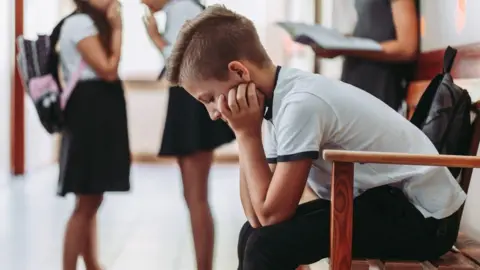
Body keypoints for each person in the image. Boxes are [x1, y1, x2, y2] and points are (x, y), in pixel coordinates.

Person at [165, 5, 467, 270]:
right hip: (379, 202)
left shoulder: (300, 105)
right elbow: (257, 216)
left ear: (239, 72)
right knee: (251, 235)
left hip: (424, 219)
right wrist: (246, 131)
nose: (213, 113)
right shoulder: (277, 98)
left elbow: (272, 216)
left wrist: (246, 134)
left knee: (266, 247)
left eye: (209, 99)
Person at [140, 1, 235, 269]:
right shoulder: (179, 9)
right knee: (194, 195)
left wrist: (157, 40)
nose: (142, 3)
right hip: (187, 102)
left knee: (196, 196)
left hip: (191, 104)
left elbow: (185, 62)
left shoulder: (182, 8)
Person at [58, 1, 130, 269]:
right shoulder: (80, 24)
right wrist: (119, 28)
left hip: (95, 114)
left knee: (92, 197)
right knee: (86, 202)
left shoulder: (89, 23)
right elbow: (108, 69)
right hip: (89, 116)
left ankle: (91, 263)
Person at [310, 0, 419, 111]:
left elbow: (407, 48)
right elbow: (371, 31)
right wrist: (337, 42)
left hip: (380, 82)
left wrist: (346, 47)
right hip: (356, 79)